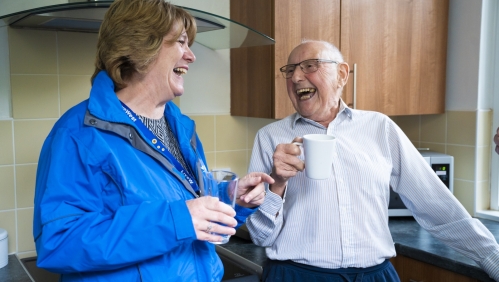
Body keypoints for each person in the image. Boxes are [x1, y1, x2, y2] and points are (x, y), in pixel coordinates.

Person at [33, 0, 274, 281]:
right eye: (181, 42)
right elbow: (59, 242)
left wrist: (231, 198)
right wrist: (178, 220)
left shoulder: (180, 127)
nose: (191, 56)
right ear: (140, 48)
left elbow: (183, 207)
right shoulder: (78, 133)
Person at [246, 40, 499, 281]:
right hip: (296, 276)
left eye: (310, 66)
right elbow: (261, 236)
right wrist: (277, 183)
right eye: (290, 70)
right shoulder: (270, 138)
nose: (296, 77)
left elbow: (436, 204)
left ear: (342, 74)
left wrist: (492, 258)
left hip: (377, 275)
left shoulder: (380, 128)